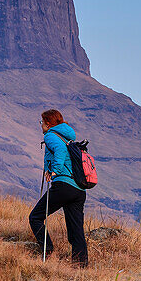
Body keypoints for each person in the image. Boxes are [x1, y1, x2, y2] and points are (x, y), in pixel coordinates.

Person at [28, 109, 88, 266]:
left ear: (48, 123)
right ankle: (80, 265)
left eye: (41, 122)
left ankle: (47, 251)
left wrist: (54, 171)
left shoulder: (51, 135)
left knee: (35, 217)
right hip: (79, 189)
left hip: (63, 186)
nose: (40, 125)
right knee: (76, 229)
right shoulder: (67, 137)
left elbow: (60, 151)